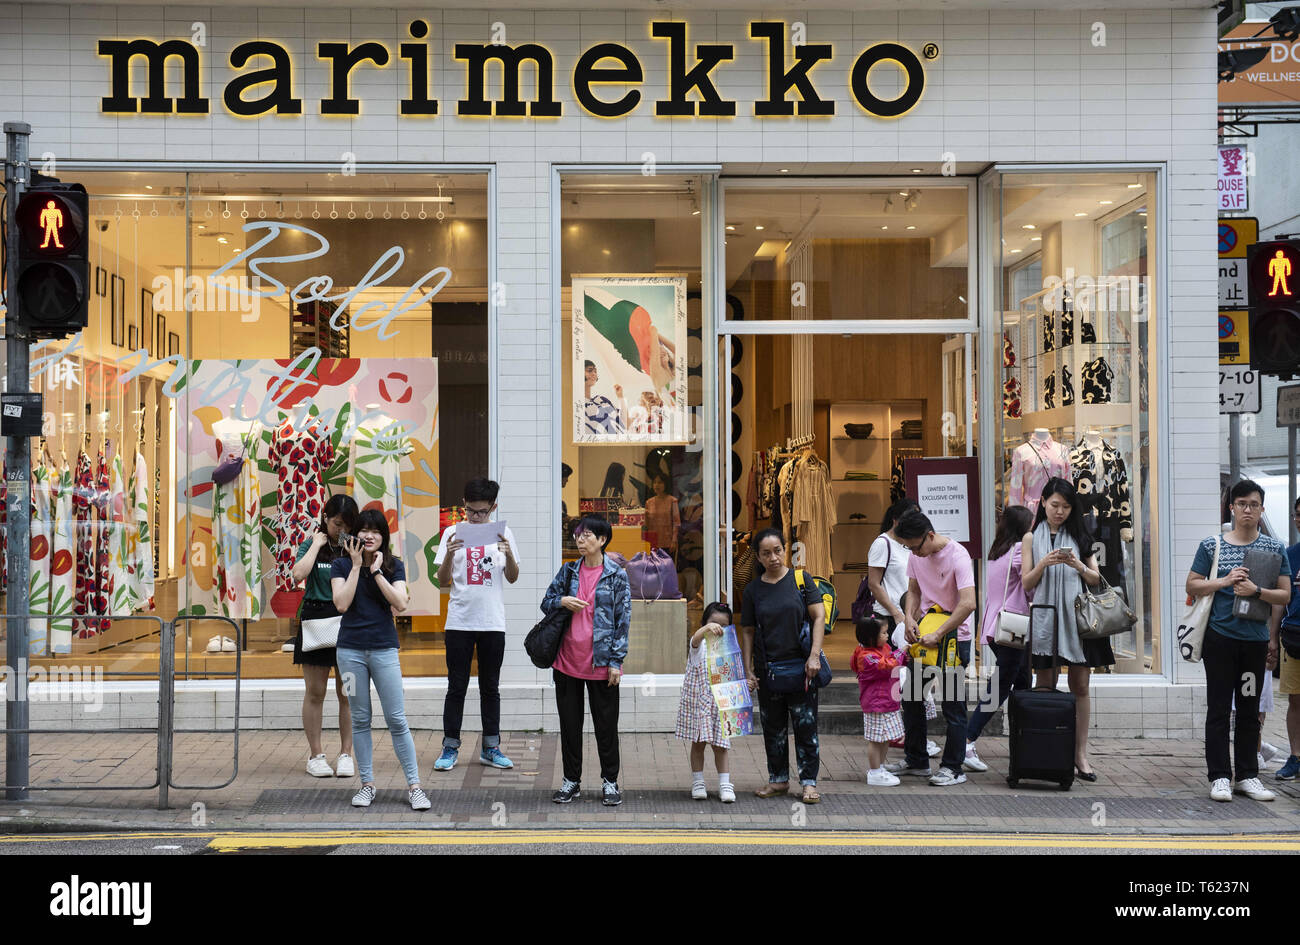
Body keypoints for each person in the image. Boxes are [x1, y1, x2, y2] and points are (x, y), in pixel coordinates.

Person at [1186, 479, 1292, 802]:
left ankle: (1247, 775)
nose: (1248, 510)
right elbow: (1192, 585)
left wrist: (1256, 591)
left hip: (1254, 643)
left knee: (1249, 708)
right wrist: (1225, 581)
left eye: (1254, 505)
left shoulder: (1274, 549)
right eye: (1242, 504)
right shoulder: (1212, 545)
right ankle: (1219, 776)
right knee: (1219, 708)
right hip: (1220, 641)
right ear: (1231, 507)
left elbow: (1284, 594)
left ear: (1262, 510)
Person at [331, 508, 428, 811]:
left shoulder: (393, 565)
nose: (369, 535)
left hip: (384, 649)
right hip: (349, 652)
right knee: (360, 719)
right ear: (354, 534)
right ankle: (367, 784)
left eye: (375, 531)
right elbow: (341, 603)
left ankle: (414, 786)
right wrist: (358, 566)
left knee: (397, 719)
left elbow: (400, 603)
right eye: (363, 530)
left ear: (383, 536)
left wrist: (376, 571)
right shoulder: (340, 565)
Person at [1021, 477, 1108, 782]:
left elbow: (1096, 579)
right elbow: (1027, 584)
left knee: (1080, 685)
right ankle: (1048, 748)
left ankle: (1079, 754)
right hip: (1046, 619)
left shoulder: (1081, 536)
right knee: (1045, 683)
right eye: (1054, 504)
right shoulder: (1031, 538)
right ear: (1042, 502)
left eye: (1066, 506)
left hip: (1078, 619)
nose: (1059, 511)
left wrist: (1078, 566)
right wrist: (1043, 564)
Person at [541, 515, 631, 806]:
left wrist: (616, 661)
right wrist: (562, 601)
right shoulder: (568, 572)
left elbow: (622, 620)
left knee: (606, 727)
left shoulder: (616, 575)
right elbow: (546, 602)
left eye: (587, 535)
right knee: (570, 726)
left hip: (602, 665)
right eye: (578, 535)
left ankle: (610, 782)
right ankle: (571, 781)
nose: (580, 540)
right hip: (567, 662)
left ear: (602, 540)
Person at [431, 478, 521, 772]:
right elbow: (442, 580)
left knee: (490, 687)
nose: (475, 517)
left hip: (492, 621)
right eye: (470, 511)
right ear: (463, 506)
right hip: (459, 620)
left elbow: (513, 576)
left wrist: (507, 554)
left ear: (493, 507)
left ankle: (491, 747)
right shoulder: (451, 532)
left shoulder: (503, 532)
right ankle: (449, 747)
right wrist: (450, 553)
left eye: (481, 512)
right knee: (456, 686)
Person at [739, 528, 826, 804]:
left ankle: (809, 783)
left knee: (805, 726)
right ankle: (778, 780)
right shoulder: (753, 590)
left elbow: (819, 616)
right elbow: (748, 631)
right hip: (769, 669)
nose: (774, 557)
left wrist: (814, 655)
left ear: (785, 549)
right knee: (773, 728)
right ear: (759, 556)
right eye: (766, 553)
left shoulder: (801, 580)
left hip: (802, 668)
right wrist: (748, 668)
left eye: (777, 550)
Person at [895, 509, 977, 786]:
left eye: (915, 547)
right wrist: (908, 618)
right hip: (924, 637)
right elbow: (914, 590)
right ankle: (917, 760)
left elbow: (968, 602)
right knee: (912, 698)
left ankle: (954, 768)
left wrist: (941, 633)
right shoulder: (916, 555)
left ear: (929, 535)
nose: (913, 553)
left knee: (953, 706)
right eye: (908, 548)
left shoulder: (958, 556)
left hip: (953, 640)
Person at [963, 504, 1034, 773]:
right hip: (1013, 627)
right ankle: (967, 740)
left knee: (1023, 682)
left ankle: (1024, 739)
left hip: (996, 625)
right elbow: (1030, 584)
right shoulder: (1018, 551)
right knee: (1001, 687)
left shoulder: (997, 551)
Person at [292, 494, 358, 779]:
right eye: (336, 523)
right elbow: (297, 575)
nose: (341, 530)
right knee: (315, 692)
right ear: (325, 518)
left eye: (346, 525)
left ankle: (346, 754)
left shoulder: (354, 547)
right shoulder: (313, 543)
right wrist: (316, 544)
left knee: (349, 693)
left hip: (348, 622)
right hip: (317, 620)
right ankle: (315, 755)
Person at [675, 602, 736, 803]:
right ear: (704, 624)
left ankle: (725, 784)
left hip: (720, 704)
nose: (717, 629)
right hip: (700, 705)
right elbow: (694, 639)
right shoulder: (699, 645)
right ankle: (698, 781)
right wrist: (705, 630)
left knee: (721, 745)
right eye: (712, 624)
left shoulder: (728, 647)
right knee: (698, 743)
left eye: (723, 625)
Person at [852, 615, 905, 786]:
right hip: (876, 703)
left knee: (885, 738)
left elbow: (890, 659)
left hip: (887, 701)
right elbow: (887, 665)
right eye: (883, 633)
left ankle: (880, 767)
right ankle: (874, 772)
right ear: (870, 637)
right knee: (876, 739)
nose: (887, 635)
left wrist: (901, 654)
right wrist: (903, 652)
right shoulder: (867, 657)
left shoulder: (882, 649)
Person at [1275, 497, 1300, 781]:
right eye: (1298, 514)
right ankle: (1295, 756)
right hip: (1293, 635)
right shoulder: (1289, 555)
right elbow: (1278, 600)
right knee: (1295, 700)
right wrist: (1272, 639)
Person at [583, 360, 627, 435]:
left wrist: (620, 397)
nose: (594, 374)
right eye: (589, 370)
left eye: (595, 371)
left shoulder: (602, 400)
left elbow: (624, 422)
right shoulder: (578, 405)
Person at [644, 472, 680, 556]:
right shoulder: (649, 502)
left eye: (660, 482)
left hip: (668, 542)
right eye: (655, 482)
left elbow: (676, 523)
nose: (656, 485)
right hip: (652, 542)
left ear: (666, 484)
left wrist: (674, 540)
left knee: (667, 568)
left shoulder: (672, 501)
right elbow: (646, 524)